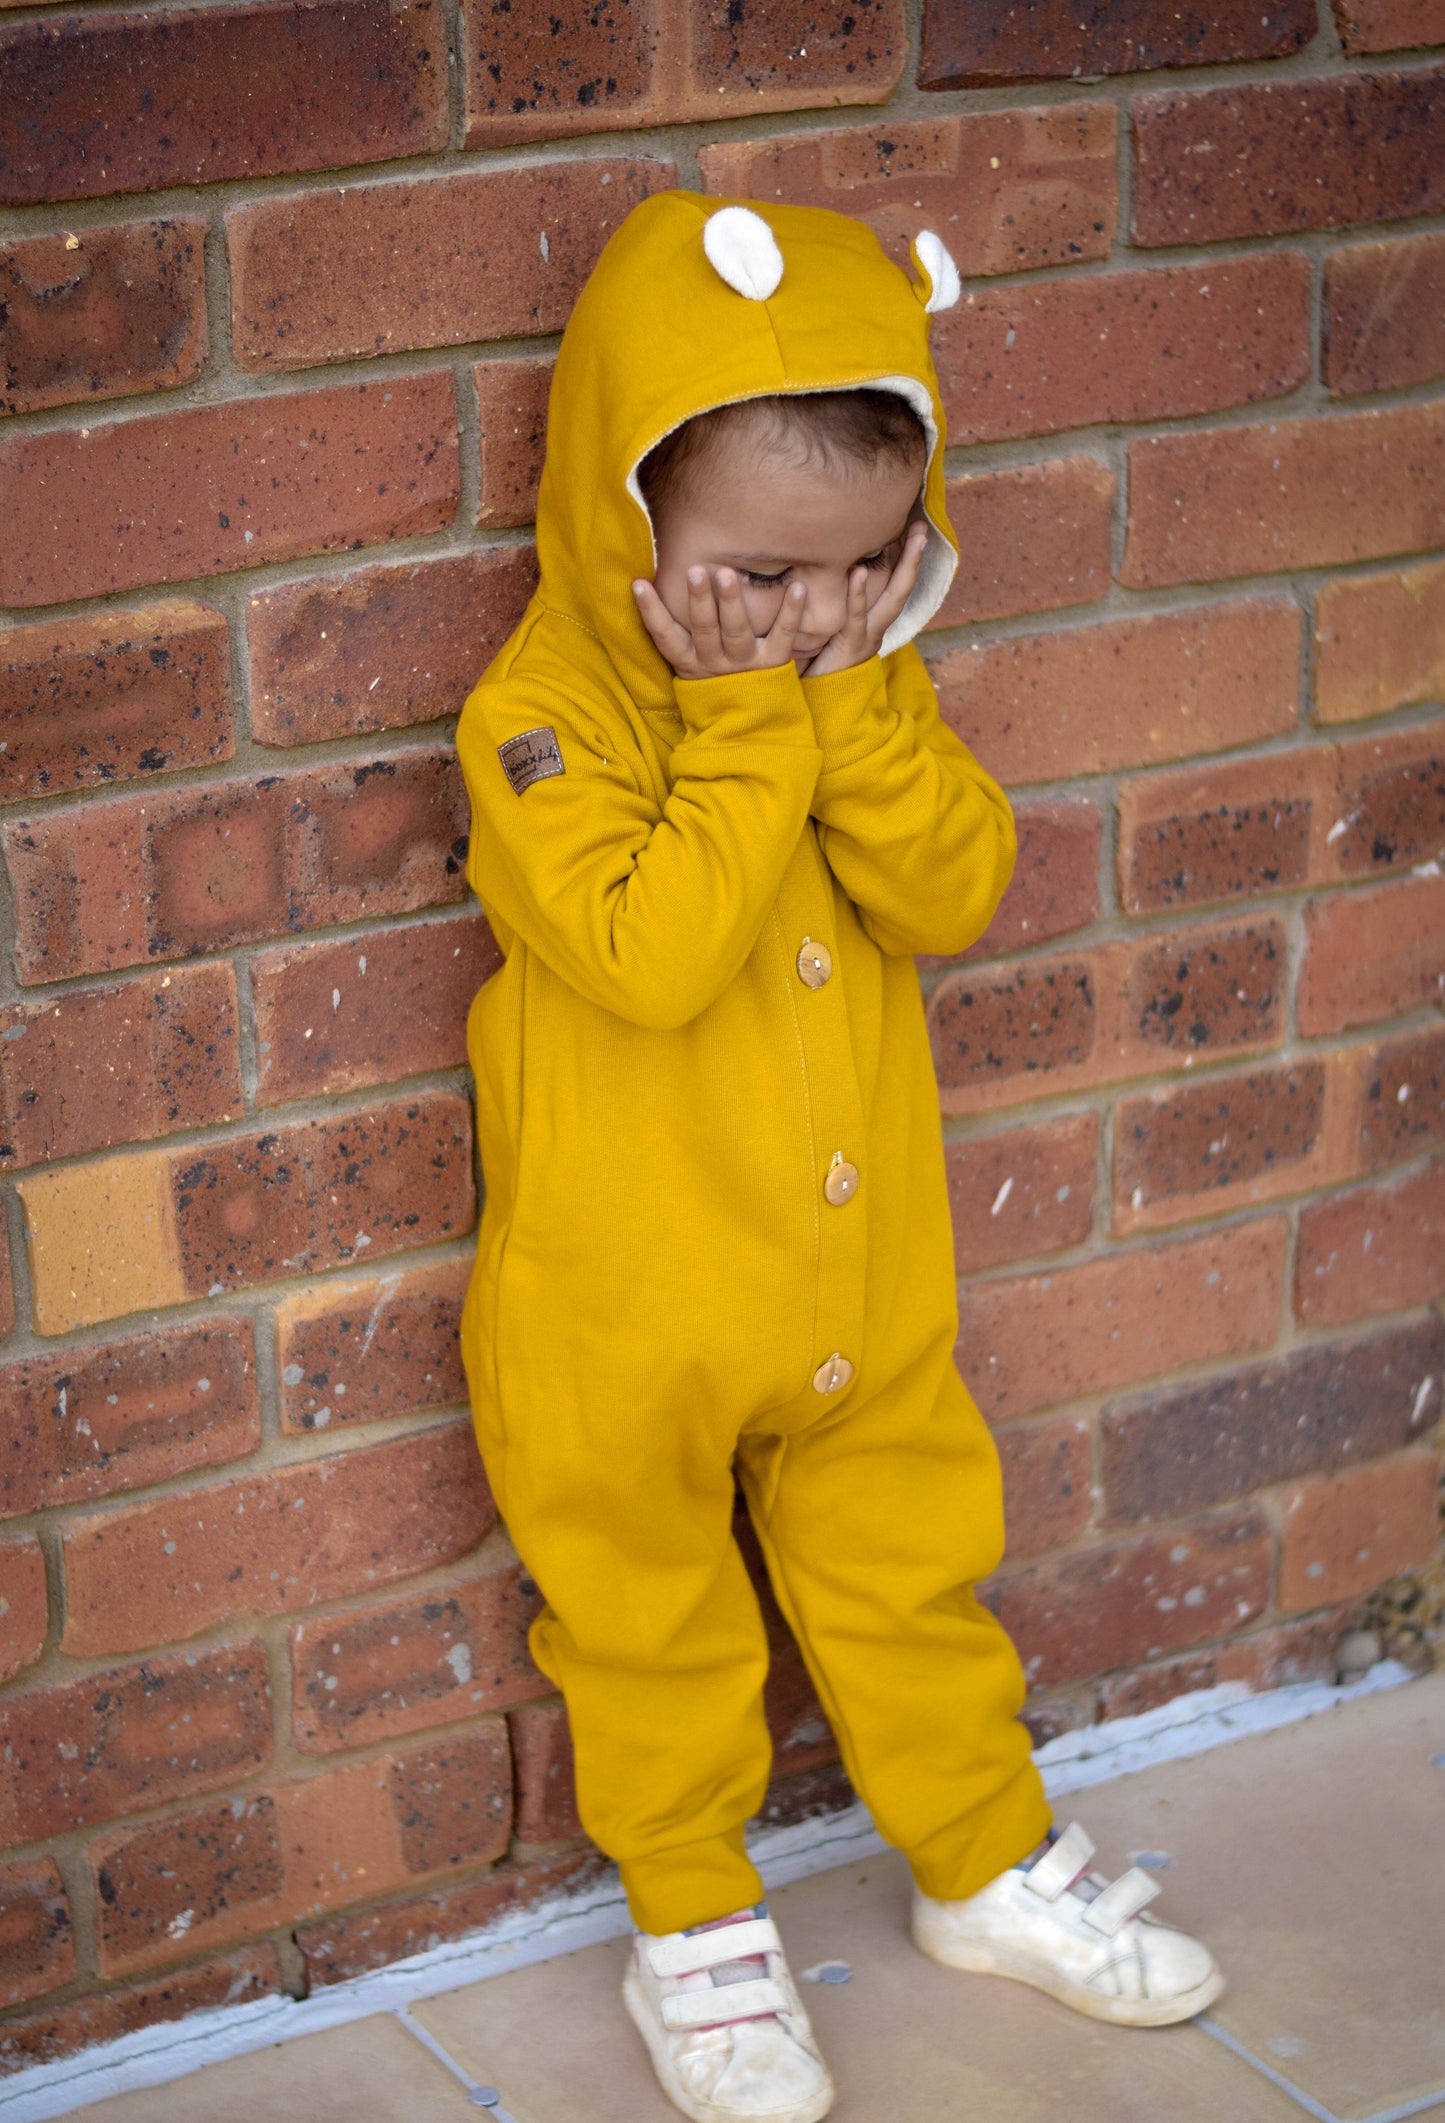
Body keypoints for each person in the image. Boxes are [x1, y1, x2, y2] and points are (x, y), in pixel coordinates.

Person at [454, 191, 1223, 2123]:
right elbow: (646, 952)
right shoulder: (540, 720)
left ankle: (978, 1857)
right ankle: (696, 1925)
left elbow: (953, 888)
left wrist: (847, 705)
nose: (811, 613)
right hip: (623, 1310)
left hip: (856, 1290)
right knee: (646, 1623)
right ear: (622, 520)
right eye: (758, 575)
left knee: (909, 1578)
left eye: (862, 567)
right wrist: (744, 730)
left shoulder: (857, 681)